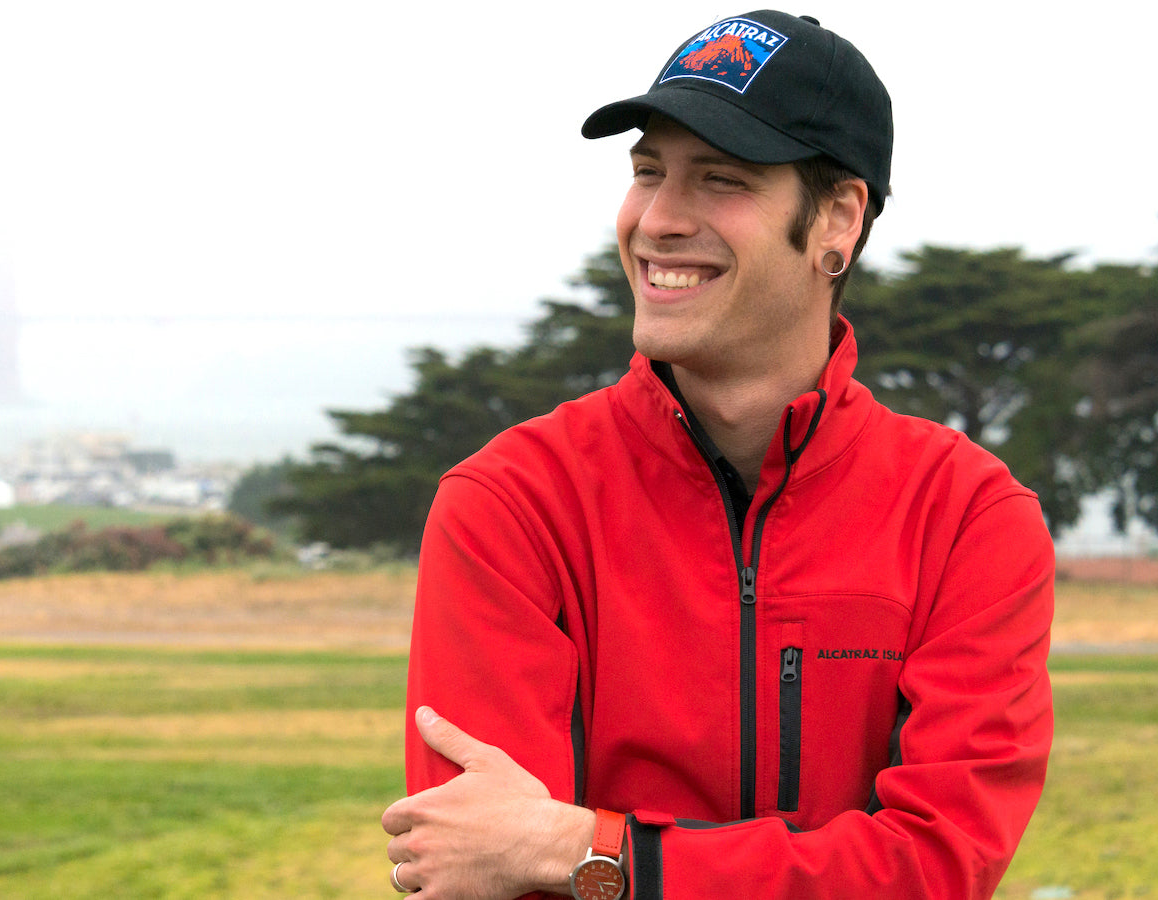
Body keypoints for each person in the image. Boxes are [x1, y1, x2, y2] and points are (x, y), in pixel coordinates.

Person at [382, 10, 1053, 899]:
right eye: (647, 172)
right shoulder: (509, 502)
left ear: (837, 222)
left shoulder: (969, 515)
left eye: (720, 179)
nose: (657, 220)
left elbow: (934, 868)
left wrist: (590, 853)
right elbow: (480, 866)